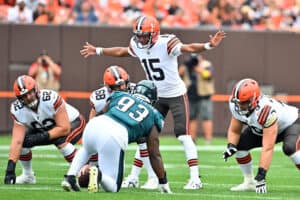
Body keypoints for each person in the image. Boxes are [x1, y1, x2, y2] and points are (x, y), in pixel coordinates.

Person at [80, 15, 226, 189]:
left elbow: (188, 47)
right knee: (144, 136)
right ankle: (134, 177)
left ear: (154, 34)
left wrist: (208, 45)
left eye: (144, 35)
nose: (140, 39)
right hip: (155, 96)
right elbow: (122, 51)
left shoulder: (166, 43)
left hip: (176, 94)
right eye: (138, 35)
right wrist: (98, 50)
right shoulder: (137, 45)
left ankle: (195, 178)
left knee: (183, 135)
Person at [62, 79, 172, 193]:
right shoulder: (154, 115)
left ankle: (69, 177)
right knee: (113, 186)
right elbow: (154, 154)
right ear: (153, 99)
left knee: (86, 149)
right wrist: (162, 181)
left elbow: (103, 112)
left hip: (95, 124)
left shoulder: (120, 95)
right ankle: (98, 173)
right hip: (114, 134)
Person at [4, 75, 86, 184]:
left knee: (60, 140)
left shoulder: (50, 98)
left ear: (36, 89)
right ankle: (27, 176)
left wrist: (39, 138)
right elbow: (17, 141)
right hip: (46, 127)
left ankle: (83, 170)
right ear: (19, 99)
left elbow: (64, 128)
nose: (28, 97)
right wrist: (10, 168)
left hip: (73, 123)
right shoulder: (17, 109)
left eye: (30, 93)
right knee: (23, 142)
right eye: (24, 96)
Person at [223, 78, 300, 194]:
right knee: (239, 145)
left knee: (290, 148)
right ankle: (249, 182)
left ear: (254, 99)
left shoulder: (265, 110)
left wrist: (261, 175)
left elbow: (267, 147)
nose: (240, 105)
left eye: (244, 102)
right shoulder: (236, 104)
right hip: (264, 128)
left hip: (292, 122)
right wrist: (231, 145)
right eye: (238, 102)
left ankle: (255, 179)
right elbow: (234, 131)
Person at [179, 54, 215, 144]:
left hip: (204, 95)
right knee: (191, 118)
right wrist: (185, 66)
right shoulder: (187, 65)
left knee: (206, 117)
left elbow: (208, 75)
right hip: (190, 96)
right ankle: (192, 139)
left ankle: (208, 139)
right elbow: (178, 74)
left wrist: (197, 68)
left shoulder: (206, 65)